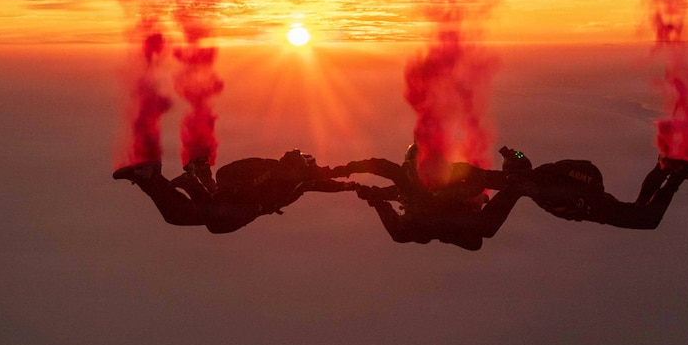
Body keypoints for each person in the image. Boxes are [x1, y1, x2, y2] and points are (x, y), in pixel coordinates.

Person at [113, 149, 358, 234]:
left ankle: (148, 176)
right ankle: (190, 181)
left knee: (175, 216)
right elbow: (237, 181)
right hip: (237, 208)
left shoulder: (300, 180)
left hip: (236, 206)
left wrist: (353, 185)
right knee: (217, 223)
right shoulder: (278, 172)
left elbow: (325, 180)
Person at [342, 144, 524, 251]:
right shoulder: (408, 184)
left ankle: (517, 188)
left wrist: (509, 182)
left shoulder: (453, 174)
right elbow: (391, 189)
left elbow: (482, 179)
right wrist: (374, 197)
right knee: (481, 233)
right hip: (439, 225)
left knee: (481, 234)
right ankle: (516, 188)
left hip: (447, 222)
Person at [498, 146, 688, 230]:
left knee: (649, 220)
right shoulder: (546, 172)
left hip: (599, 209)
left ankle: (678, 174)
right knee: (640, 207)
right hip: (597, 204)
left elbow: (551, 193)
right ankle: (664, 166)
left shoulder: (538, 185)